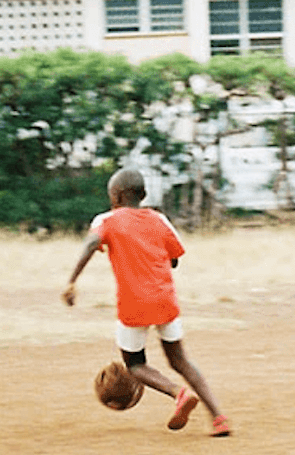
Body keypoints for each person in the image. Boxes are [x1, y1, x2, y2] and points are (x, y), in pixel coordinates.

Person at [62, 169, 231, 437]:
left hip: (134, 303)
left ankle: (178, 393)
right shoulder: (159, 219)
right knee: (180, 360)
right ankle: (219, 418)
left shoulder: (106, 219)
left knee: (135, 364)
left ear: (116, 196)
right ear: (142, 195)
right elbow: (174, 259)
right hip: (166, 300)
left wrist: (72, 281)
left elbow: (92, 242)